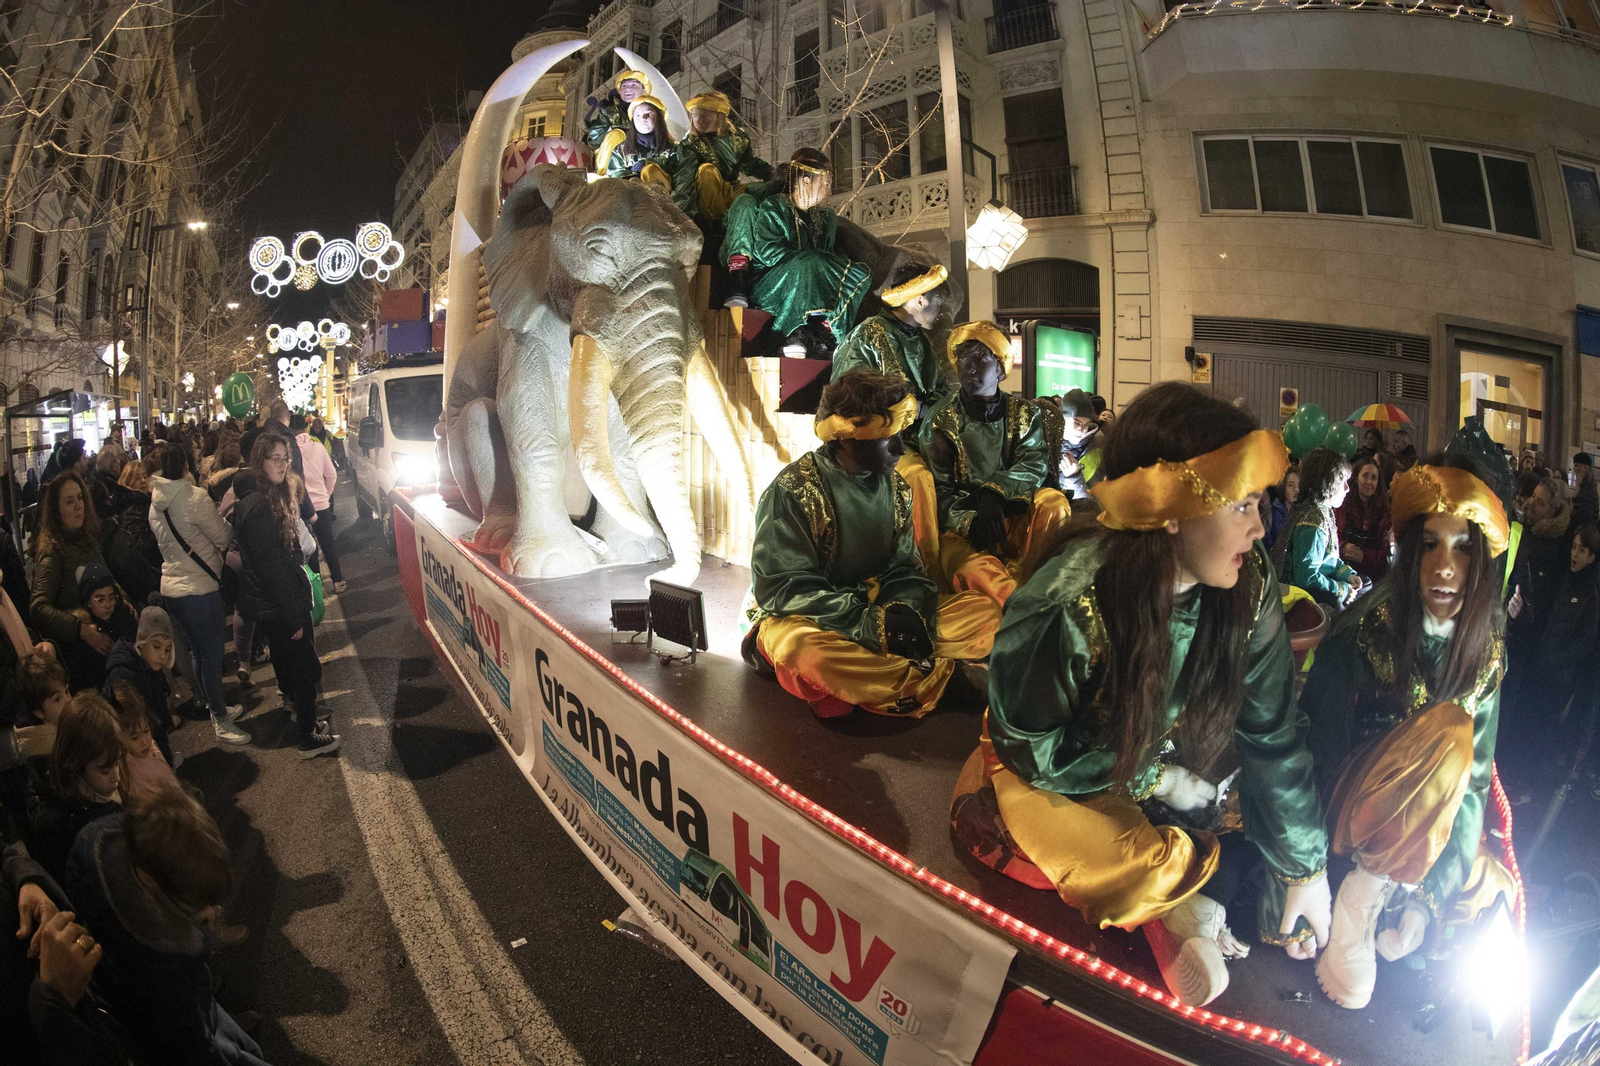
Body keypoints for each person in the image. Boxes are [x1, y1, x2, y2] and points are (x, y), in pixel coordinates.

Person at [949, 382, 1329, 1007]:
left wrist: (1305, 871)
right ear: (1172, 508)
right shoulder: (1069, 600)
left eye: (1261, 504)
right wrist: (1154, 779)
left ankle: (1182, 901)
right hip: (1057, 767)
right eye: (1241, 506)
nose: (1261, 529)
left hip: (1168, 747)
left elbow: (1272, 733)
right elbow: (1031, 746)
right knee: (1123, 856)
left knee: (1271, 821)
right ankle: (1175, 911)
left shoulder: (1250, 585)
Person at [1301, 460, 1515, 1009]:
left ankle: (1407, 910)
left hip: (1429, 837)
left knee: (1498, 889)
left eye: (1463, 548)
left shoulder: (1487, 653)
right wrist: (1303, 871)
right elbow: (1315, 747)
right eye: (1430, 546)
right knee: (1449, 736)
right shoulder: (1364, 631)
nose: (1445, 568)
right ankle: (1357, 907)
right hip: (1351, 817)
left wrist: (1430, 900)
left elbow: (1470, 789)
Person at [743, 370, 1000, 718]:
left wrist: (904, 612)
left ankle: (871, 686)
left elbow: (906, 569)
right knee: (805, 653)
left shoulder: (896, 487)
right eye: (887, 438)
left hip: (879, 605)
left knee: (984, 614)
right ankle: (940, 675)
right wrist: (868, 625)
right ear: (847, 438)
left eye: (901, 435)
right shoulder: (793, 491)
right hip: (812, 618)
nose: (899, 449)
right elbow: (782, 588)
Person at [63, 784, 271, 1065]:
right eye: (197, 904)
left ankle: (220, 1028)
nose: (212, 913)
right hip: (185, 1026)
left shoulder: (118, 840)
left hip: (194, 1004)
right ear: (149, 881)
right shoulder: (155, 970)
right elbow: (190, 1049)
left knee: (243, 1046)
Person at [922, 322, 1072, 606]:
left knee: (1054, 502)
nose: (969, 367)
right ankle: (1026, 607)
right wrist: (970, 521)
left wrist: (994, 494)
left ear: (1001, 368)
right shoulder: (941, 420)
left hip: (1016, 516)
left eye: (980, 359)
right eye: (964, 357)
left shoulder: (1027, 414)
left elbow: (1034, 465)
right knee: (975, 572)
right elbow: (936, 492)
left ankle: (1047, 582)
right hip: (966, 531)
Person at [831, 262, 953, 571]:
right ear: (920, 299)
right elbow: (848, 400)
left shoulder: (922, 342)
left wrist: (935, 414)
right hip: (879, 443)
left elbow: (938, 391)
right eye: (938, 300)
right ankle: (928, 572)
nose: (940, 309)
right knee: (919, 477)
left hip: (920, 437)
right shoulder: (868, 335)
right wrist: (910, 412)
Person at [235, 435, 340, 759]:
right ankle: (307, 737)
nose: (281, 464)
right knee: (305, 668)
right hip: (281, 606)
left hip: (276, 604)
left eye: (284, 458)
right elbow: (271, 569)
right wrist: (293, 615)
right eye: (274, 458)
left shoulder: (264, 498)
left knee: (295, 666)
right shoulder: (259, 507)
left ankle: (304, 722)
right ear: (259, 461)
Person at [722, 147, 872, 354]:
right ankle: (790, 332)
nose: (829, 190)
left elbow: (826, 252)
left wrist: (822, 261)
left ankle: (828, 328)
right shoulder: (775, 206)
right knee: (809, 264)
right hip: (772, 281)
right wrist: (809, 259)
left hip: (810, 272)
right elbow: (766, 252)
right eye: (825, 183)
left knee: (859, 273)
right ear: (806, 182)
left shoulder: (825, 217)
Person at [150, 444, 248, 747]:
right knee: (211, 656)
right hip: (199, 589)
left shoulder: (155, 504)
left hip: (173, 590)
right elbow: (223, 535)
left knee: (196, 653)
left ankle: (213, 705)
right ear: (184, 467)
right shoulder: (193, 498)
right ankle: (221, 720)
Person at [27, 693, 122, 884]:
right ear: (75, 764)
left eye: (118, 763)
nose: (117, 777)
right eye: (105, 770)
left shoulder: (98, 788)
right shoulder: (57, 829)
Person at [29, 472, 112, 665]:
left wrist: (121, 600)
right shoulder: (52, 551)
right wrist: (81, 630)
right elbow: (38, 608)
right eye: (69, 502)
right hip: (79, 655)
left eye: (80, 498)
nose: (78, 506)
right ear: (56, 510)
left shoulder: (87, 539)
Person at [663, 90, 772, 224]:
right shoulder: (690, 144)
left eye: (705, 116)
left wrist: (776, 174)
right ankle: (718, 224)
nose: (699, 120)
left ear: (719, 116)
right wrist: (681, 214)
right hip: (703, 197)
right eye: (695, 116)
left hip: (731, 190)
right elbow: (684, 180)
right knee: (707, 170)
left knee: (770, 188)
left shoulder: (738, 137)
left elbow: (751, 164)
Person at [1270, 448, 1361, 607]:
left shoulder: (1321, 508)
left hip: (1310, 583)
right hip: (1296, 594)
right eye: (1342, 481)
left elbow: (1328, 558)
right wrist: (1341, 589)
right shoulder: (1313, 522)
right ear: (1327, 481)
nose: (1347, 488)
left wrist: (1347, 575)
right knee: (1343, 602)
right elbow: (1306, 578)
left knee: (1363, 584)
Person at [102, 607, 177, 766]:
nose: (163, 655)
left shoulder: (149, 664)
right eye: (156, 646)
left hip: (153, 733)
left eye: (167, 649)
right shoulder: (122, 674)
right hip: (140, 746)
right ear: (141, 643)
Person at [63, 564, 137, 693]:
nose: (108, 605)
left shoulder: (125, 617)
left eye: (111, 598)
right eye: (100, 599)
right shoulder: (85, 635)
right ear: (88, 602)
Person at [294, 414, 344, 595]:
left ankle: (316, 586)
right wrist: (326, 495)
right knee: (328, 543)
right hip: (321, 504)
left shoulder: (290, 451)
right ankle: (337, 580)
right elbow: (331, 475)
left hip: (301, 505)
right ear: (305, 427)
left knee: (308, 546)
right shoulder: (318, 447)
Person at [108, 681, 177, 801]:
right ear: (118, 737)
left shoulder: (149, 745)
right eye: (134, 738)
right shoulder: (131, 772)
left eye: (146, 731)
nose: (145, 741)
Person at [1336, 455, 1391, 583]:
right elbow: (1329, 540)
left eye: (1373, 478)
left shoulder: (1385, 512)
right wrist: (1343, 548)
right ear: (1356, 478)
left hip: (1372, 577)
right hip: (1342, 573)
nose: (1369, 482)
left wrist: (1364, 556)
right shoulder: (1341, 505)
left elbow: (1386, 554)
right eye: (1365, 476)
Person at [584, 68, 653, 165]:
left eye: (633, 85)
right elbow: (593, 140)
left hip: (644, 159)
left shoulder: (652, 112)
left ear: (644, 91)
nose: (628, 89)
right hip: (613, 162)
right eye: (624, 86)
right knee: (616, 135)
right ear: (620, 92)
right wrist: (621, 131)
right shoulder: (609, 112)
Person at [601, 94, 676, 180]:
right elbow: (614, 176)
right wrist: (634, 175)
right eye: (638, 115)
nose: (643, 118)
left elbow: (680, 176)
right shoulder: (620, 151)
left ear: (659, 118)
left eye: (648, 114)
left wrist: (649, 165)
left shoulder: (674, 149)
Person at [1055, 389, 1104, 500]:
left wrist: (1074, 477)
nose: (1081, 429)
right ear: (1062, 419)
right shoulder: (1046, 445)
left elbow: (1094, 505)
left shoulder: (1097, 451)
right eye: (1076, 423)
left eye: (1086, 424)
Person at [1266, 467, 1300, 550]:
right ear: (1283, 488)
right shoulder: (1273, 515)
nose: (1296, 489)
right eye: (1290, 485)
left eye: (1299, 485)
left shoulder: (1305, 513)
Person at [1573, 452, 1598, 529]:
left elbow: (1586, 515)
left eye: (1577, 465)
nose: (1574, 469)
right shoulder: (1587, 485)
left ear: (1585, 468)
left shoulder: (1588, 488)